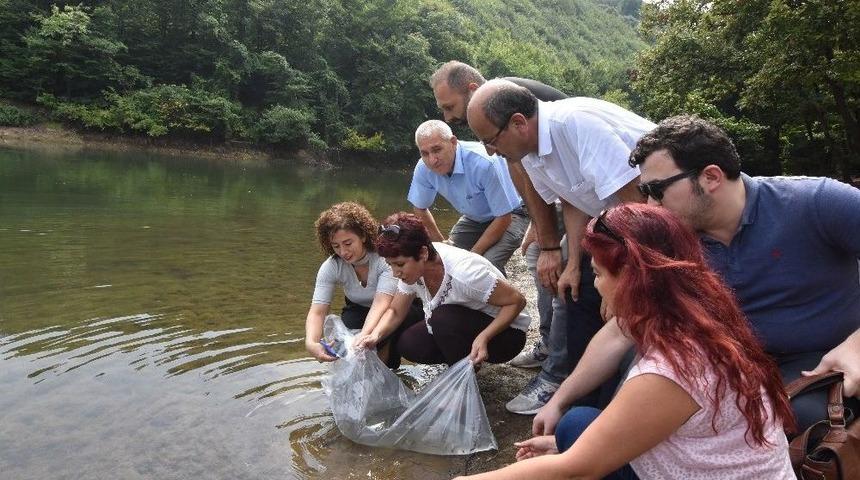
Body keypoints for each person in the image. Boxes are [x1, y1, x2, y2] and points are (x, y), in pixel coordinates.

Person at [533, 115, 860, 439]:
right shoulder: (672, 241)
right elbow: (622, 330)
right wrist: (561, 399)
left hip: (817, 363)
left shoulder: (816, 202)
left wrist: (856, 344)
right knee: (632, 370)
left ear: (711, 177)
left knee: (798, 422)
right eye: (644, 191)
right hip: (723, 363)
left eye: (656, 190)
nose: (649, 204)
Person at [455, 204, 797, 480]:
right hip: (704, 458)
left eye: (600, 275)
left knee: (575, 440)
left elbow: (574, 471)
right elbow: (618, 333)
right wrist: (560, 404)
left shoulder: (672, 369)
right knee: (576, 424)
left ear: (635, 280)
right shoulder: (695, 310)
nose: (598, 286)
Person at [466, 79, 654, 412]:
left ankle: (623, 398)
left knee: (631, 309)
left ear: (519, 123)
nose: (490, 152)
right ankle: (585, 397)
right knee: (576, 288)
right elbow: (573, 200)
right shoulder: (530, 152)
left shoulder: (576, 125)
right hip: (616, 225)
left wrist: (624, 280)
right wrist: (571, 263)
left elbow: (639, 206)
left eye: (491, 141)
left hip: (662, 227)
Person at [430, 60, 573, 413]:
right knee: (536, 259)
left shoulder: (503, 102)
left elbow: (533, 169)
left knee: (565, 276)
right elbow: (526, 172)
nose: (448, 119)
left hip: (580, 193)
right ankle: (548, 347)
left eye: (449, 107)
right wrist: (537, 227)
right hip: (559, 192)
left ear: (472, 90)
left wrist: (551, 241)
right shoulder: (496, 106)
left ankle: (557, 372)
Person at [357, 212, 528, 366]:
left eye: (400, 264)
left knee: (442, 318)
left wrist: (484, 337)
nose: (395, 273)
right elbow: (395, 311)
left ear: (423, 253)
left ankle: (462, 376)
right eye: (390, 265)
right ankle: (462, 363)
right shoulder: (413, 272)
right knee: (409, 344)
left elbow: (517, 301)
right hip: (464, 323)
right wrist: (375, 335)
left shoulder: (466, 273)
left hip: (507, 336)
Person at [304, 202, 422, 368]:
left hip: (398, 310)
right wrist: (311, 343)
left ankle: (387, 366)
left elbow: (382, 303)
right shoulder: (331, 266)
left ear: (363, 236)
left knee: (381, 340)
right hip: (359, 309)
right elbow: (317, 312)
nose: (343, 252)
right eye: (336, 246)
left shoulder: (384, 259)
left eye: (348, 243)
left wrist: (364, 336)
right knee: (344, 335)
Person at [408, 120, 528, 274]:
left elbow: (504, 217)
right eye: (424, 153)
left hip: (513, 213)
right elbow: (420, 209)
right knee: (446, 260)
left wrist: (472, 257)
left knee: (484, 265)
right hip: (475, 218)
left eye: (437, 150)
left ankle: (509, 297)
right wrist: (442, 244)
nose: (432, 160)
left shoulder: (484, 163)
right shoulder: (423, 167)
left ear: (453, 142)